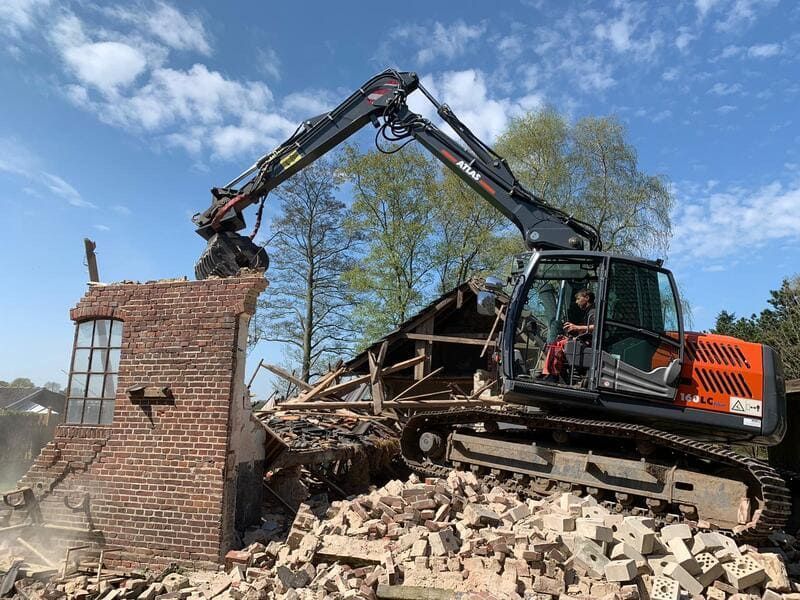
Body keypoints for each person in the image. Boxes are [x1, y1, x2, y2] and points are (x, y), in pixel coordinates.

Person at [540, 288, 596, 381]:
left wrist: (577, 327)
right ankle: (556, 373)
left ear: (586, 298)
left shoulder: (593, 311)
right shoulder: (589, 312)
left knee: (557, 344)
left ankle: (552, 374)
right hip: (587, 341)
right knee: (561, 341)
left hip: (590, 343)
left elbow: (597, 327)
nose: (577, 302)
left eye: (578, 299)